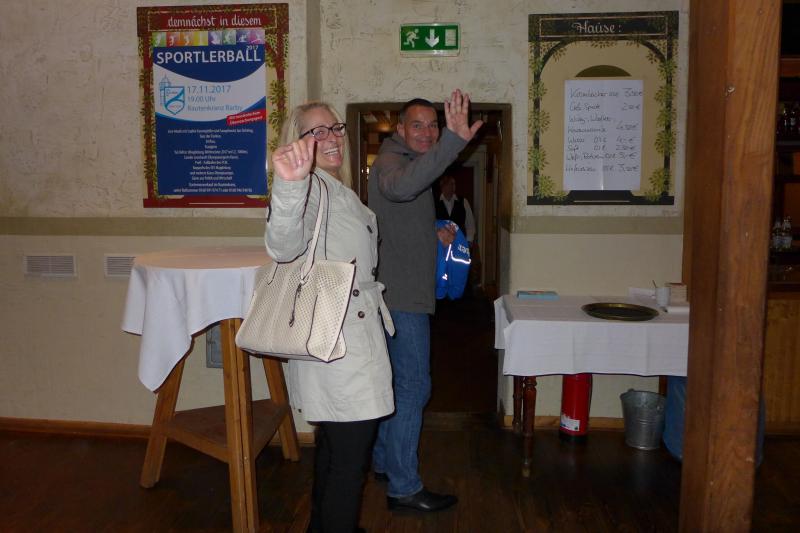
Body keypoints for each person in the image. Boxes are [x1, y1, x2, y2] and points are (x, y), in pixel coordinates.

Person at [266, 102, 394, 533]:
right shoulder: (307, 188)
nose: (333, 137)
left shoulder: (336, 189)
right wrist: (288, 186)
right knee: (348, 463)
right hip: (340, 344)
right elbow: (283, 246)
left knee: (335, 452)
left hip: (346, 337)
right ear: (298, 142)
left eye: (335, 128)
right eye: (317, 132)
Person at [368, 90, 483, 512]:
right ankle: (404, 487)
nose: (427, 132)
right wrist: (453, 141)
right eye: (417, 125)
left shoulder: (406, 160)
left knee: (400, 386)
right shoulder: (391, 160)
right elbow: (400, 188)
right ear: (399, 129)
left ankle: (384, 461)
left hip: (402, 291)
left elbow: (398, 213)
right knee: (414, 386)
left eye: (434, 126)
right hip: (403, 298)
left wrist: (432, 230)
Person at [435, 174, 476, 245]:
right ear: (442, 187)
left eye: (453, 184)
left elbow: (470, 224)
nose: (452, 187)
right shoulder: (435, 203)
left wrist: (469, 241)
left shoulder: (463, 202)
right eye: (449, 185)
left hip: (459, 242)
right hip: (441, 244)